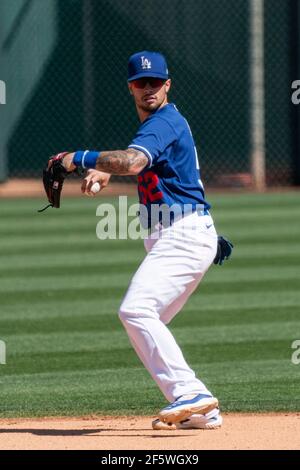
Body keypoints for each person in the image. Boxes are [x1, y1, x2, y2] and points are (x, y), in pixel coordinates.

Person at [49, 51, 232, 430]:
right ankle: (202, 409)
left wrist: (75, 158)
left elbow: (133, 161)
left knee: (136, 311)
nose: (148, 88)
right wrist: (105, 170)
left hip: (182, 234)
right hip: (178, 233)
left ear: (167, 84)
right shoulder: (160, 124)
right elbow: (147, 165)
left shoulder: (162, 122)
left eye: (155, 82)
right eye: (140, 82)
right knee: (148, 322)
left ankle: (190, 392)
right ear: (131, 87)